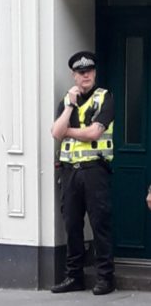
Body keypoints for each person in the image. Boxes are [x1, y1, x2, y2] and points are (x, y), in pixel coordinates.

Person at [50, 51, 115, 296]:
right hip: (69, 173)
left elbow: (94, 134)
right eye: (80, 72)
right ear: (74, 75)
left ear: (95, 72)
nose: (85, 75)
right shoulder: (67, 101)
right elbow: (56, 132)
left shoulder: (105, 97)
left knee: (100, 225)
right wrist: (68, 107)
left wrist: (69, 131)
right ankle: (74, 277)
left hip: (95, 171)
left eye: (89, 70)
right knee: (72, 226)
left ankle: (106, 278)